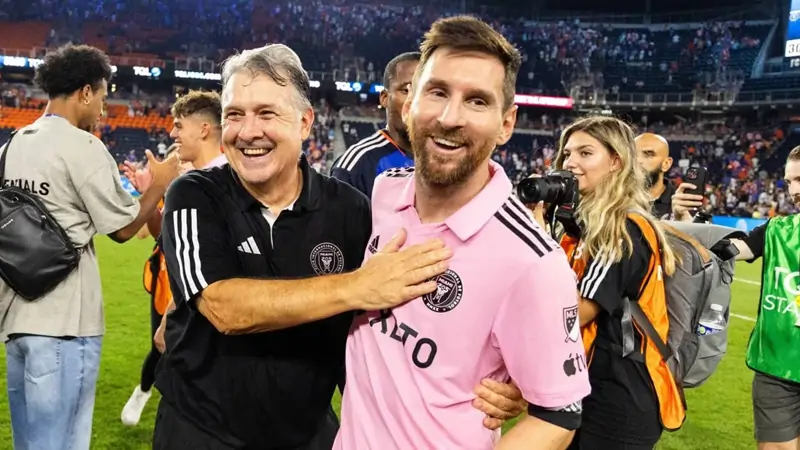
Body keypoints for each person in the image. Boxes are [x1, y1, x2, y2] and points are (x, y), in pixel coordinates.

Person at [153, 43, 521, 450]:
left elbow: (400, 313)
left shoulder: (350, 210)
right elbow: (224, 308)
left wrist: (500, 379)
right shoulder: (194, 193)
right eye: (234, 115)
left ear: (305, 122)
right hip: (200, 432)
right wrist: (356, 286)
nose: (248, 131)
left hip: (308, 432)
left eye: (266, 113)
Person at [334, 16, 590, 450]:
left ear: (506, 123)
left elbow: (558, 416)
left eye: (477, 101)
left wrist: (520, 394)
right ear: (408, 101)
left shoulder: (532, 261)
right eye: (437, 92)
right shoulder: (384, 191)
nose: (451, 118)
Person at [0, 43, 179, 450]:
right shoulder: (83, 146)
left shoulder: (12, 144)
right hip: (65, 322)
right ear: (84, 92)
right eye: (102, 95)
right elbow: (122, 228)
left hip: (16, 321)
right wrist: (163, 183)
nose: (103, 107)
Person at [535, 115, 682, 450]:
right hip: (585, 385)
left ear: (616, 161)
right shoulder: (585, 226)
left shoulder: (623, 229)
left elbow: (576, 312)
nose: (570, 163)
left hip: (619, 398)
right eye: (567, 153)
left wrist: (538, 243)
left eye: (585, 153)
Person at [121, 92, 229, 426]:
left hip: (206, 295)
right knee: (167, 351)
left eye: (179, 125)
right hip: (172, 281)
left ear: (205, 129)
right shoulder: (191, 179)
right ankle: (145, 391)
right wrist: (151, 197)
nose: (172, 133)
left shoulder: (225, 180)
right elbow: (160, 237)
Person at [727, 146, 800, 450]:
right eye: (789, 182)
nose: (793, 191)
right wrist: (683, 219)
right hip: (776, 369)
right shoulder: (777, 231)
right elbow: (730, 248)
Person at [330, 52, 418, 197]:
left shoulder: (444, 161)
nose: (414, 100)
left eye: (425, 91)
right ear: (384, 98)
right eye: (406, 90)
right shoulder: (356, 166)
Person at [634, 132, 675, 219]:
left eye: (648, 154)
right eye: (633, 155)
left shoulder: (680, 204)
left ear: (666, 164)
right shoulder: (614, 201)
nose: (638, 161)